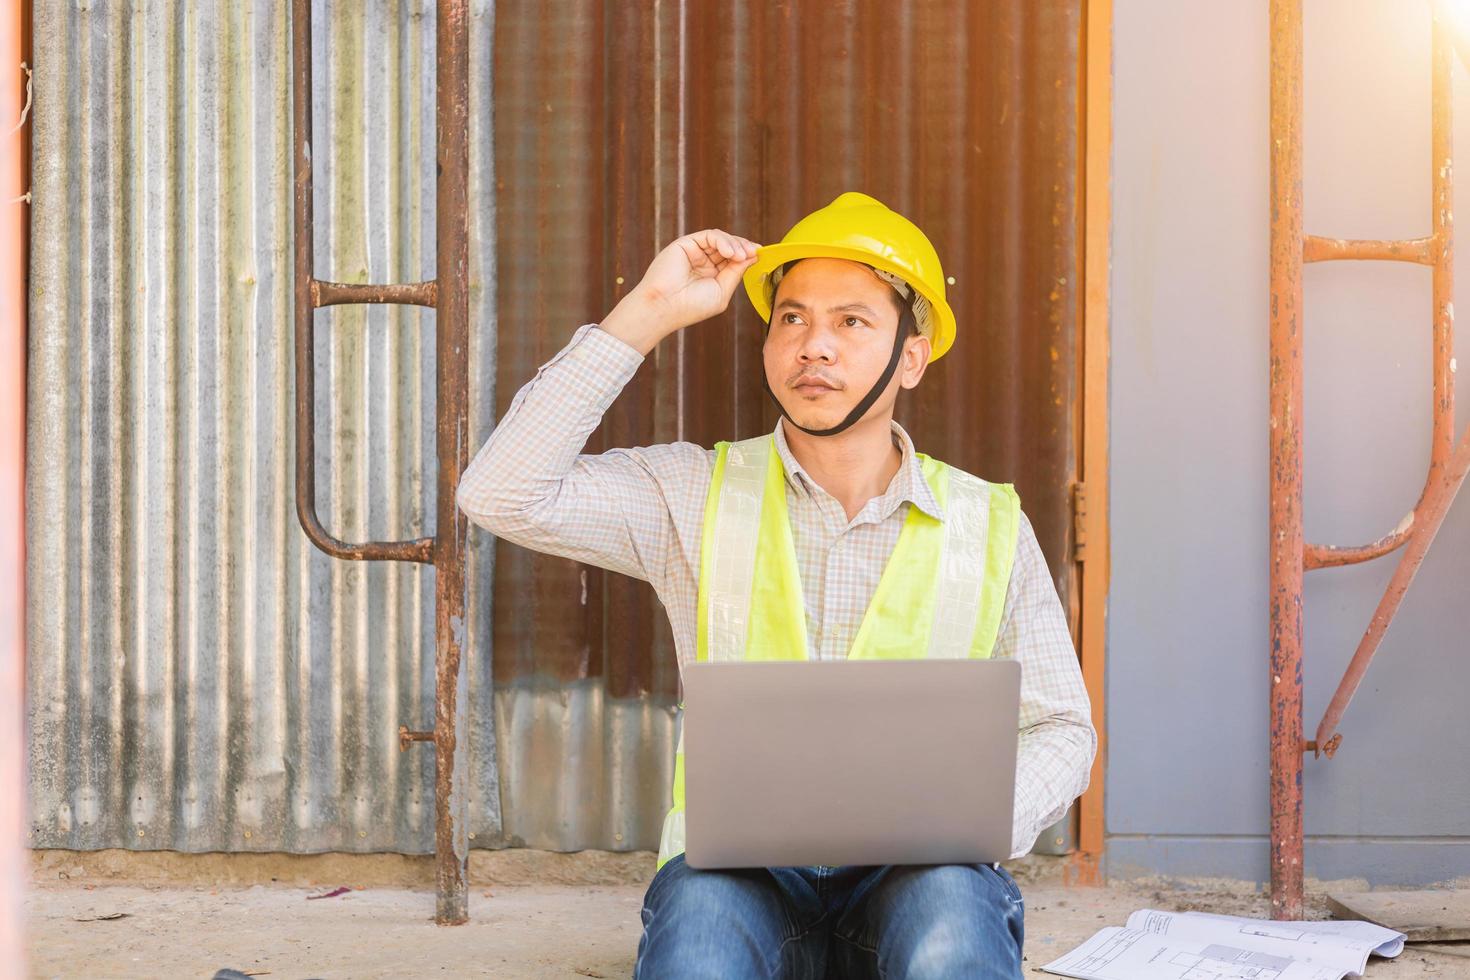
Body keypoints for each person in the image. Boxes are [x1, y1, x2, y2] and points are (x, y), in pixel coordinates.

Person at [456, 192, 1096, 980]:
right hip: (736, 873)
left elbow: (1063, 727)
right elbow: (499, 494)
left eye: (851, 322)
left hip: (921, 872)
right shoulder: (694, 493)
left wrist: (976, 828)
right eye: (791, 319)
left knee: (952, 948)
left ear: (912, 357)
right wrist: (648, 311)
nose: (813, 347)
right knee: (697, 955)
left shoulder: (987, 521)